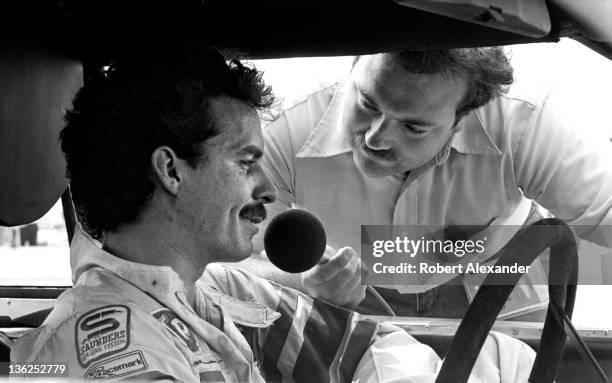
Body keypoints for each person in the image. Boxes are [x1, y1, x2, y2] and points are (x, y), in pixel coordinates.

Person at [9, 43, 537, 382]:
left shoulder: (215, 290)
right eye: (246, 163)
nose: (266, 189)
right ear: (171, 171)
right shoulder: (112, 355)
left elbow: (371, 344)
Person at [246, 48, 612, 318]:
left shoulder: (525, 125)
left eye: (413, 127)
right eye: (368, 103)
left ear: (462, 119)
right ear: (355, 64)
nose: (375, 139)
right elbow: (218, 261)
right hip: (348, 292)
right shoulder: (283, 130)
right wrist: (303, 283)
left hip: (495, 278)